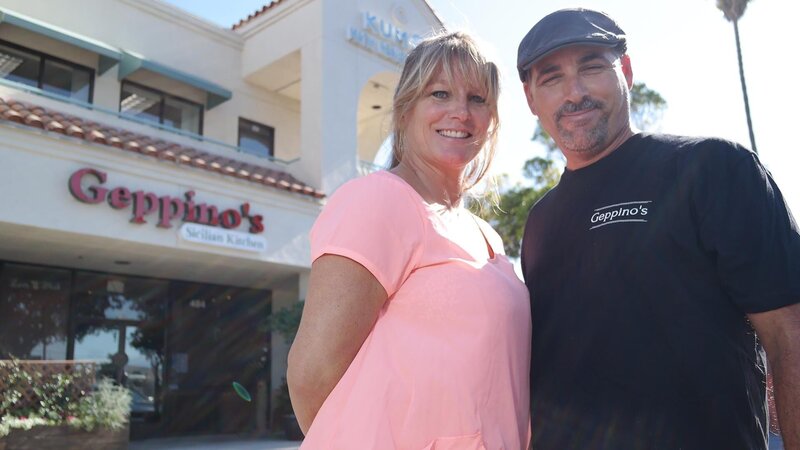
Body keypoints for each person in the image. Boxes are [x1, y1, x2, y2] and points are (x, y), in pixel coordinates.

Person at [517, 8, 800, 450]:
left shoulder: (712, 169)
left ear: (625, 71)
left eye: (592, 66)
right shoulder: (538, 223)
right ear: (531, 99)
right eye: (551, 78)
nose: (574, 93)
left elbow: (789, 334)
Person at [287, 31, 531, 449]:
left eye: (477, 99)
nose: (461, 112)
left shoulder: (486, 234)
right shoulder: (379, 199)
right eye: (440, 94)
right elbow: (312, 375)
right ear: (404, 110)